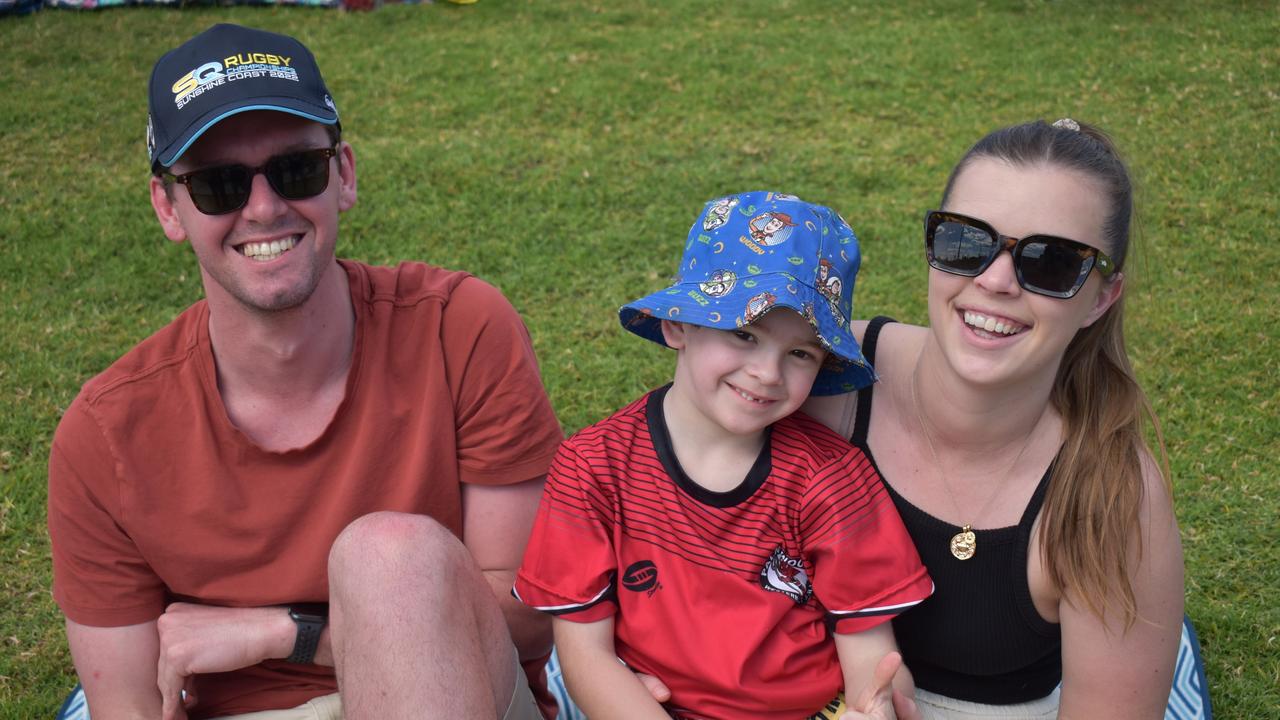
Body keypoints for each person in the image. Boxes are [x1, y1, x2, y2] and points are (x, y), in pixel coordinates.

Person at [47, 23, 564, 720]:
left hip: (456, 690)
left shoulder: (459, 327)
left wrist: (287, 635)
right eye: (218, 185)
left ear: (343, 174)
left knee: (392, 558)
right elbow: (132, 704)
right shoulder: (106, 433)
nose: (263, 208)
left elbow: (535, 617)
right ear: (169, 209)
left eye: (296, 170)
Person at [798, 119, 1185, 718]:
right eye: (966, 242)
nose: (995, 281)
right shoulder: (814, 378)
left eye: (1052, 263)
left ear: (1100, 298)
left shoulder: (1111, 497)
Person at [513, 191, 935, 720]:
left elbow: (871, 651)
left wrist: (878, 704)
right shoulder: (591, 467)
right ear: (678, 325)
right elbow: (584, 656)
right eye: (743, 333)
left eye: (800, 352)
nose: (767, 372)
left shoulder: (831, 478)